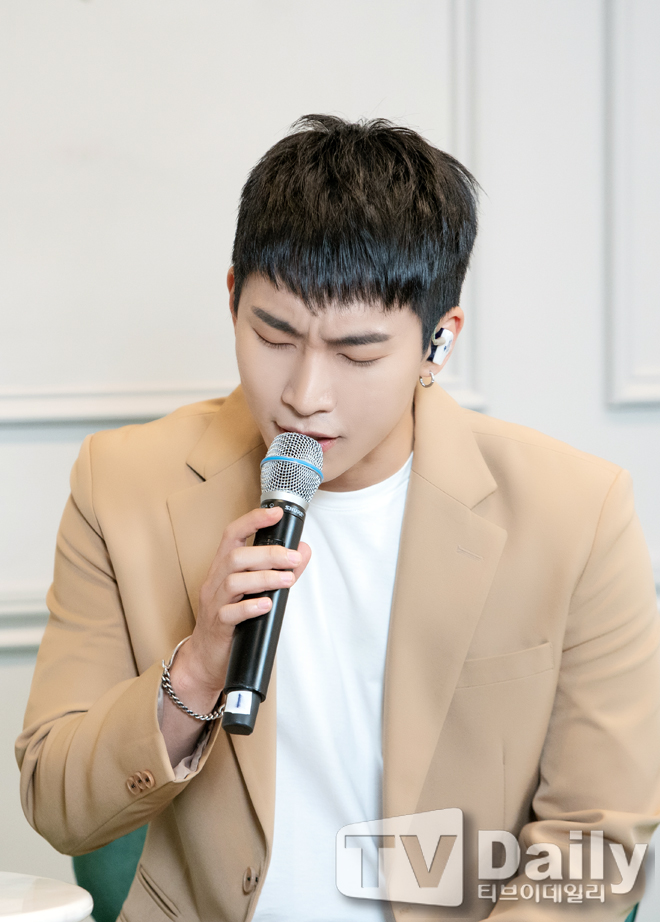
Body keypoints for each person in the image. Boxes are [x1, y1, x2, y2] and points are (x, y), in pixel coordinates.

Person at [16, 115, 660, 922]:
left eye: (357, 354)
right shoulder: (121, 485)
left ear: (438, 342)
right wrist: (198, 669)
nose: (304, 395)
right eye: (273, 335)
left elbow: (596, 841)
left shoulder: (576, 512)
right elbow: (57, 805)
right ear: (232, 298)